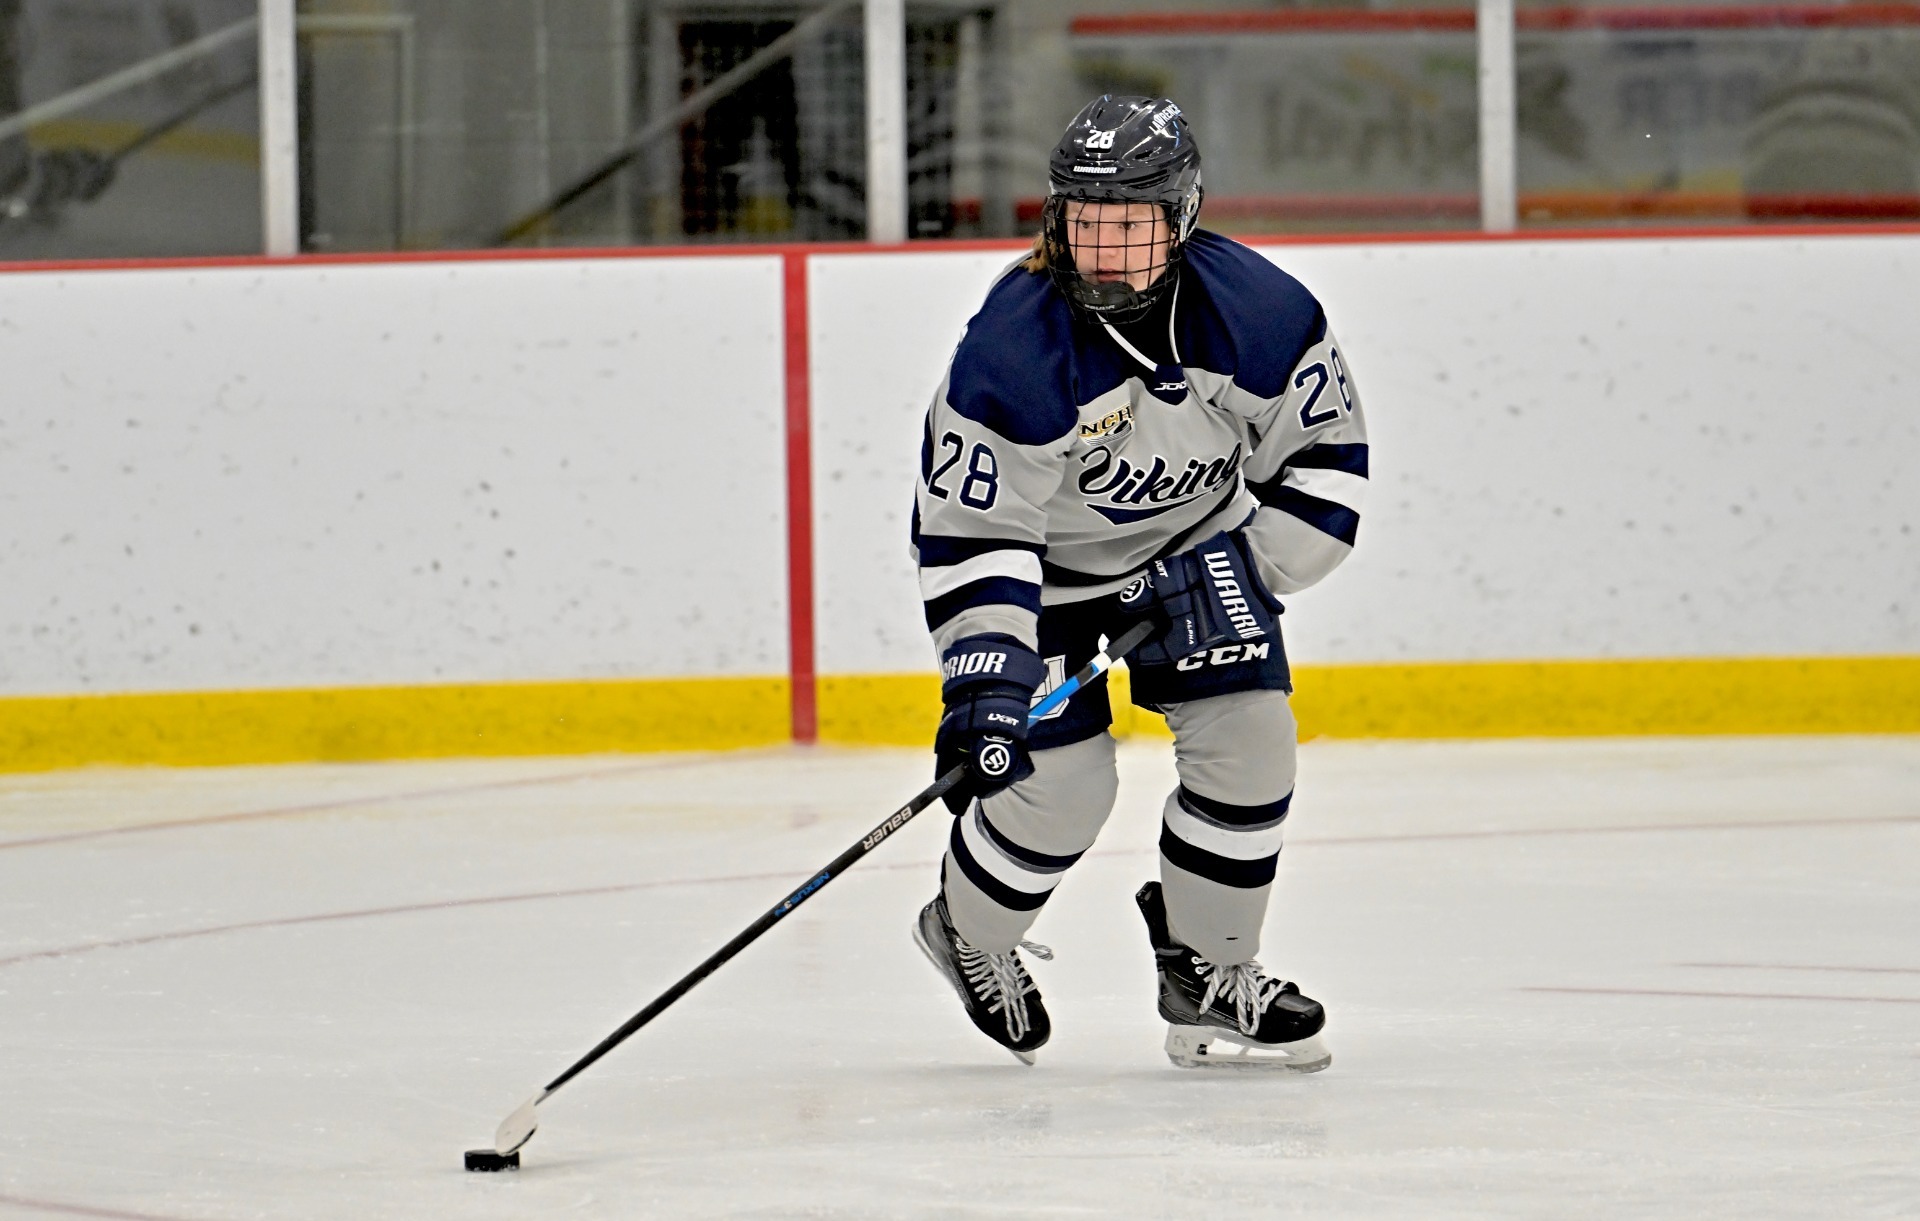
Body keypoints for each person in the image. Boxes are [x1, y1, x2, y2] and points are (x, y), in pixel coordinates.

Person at [908, 95, 1367, 1071]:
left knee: (1253, 749)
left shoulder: (1264, 316)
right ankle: (971, 933)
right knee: (1060, 792)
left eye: (1131, 225)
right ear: (1055, 219)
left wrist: (1245, 567)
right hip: (1045, 587)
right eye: (1086, 221)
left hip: (1204, 558)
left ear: (1184, 216)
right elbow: (975, 535)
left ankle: (1207, 972)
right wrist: (987, 685)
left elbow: (1327, 462)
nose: (1104, 250)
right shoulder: (1010, 353)